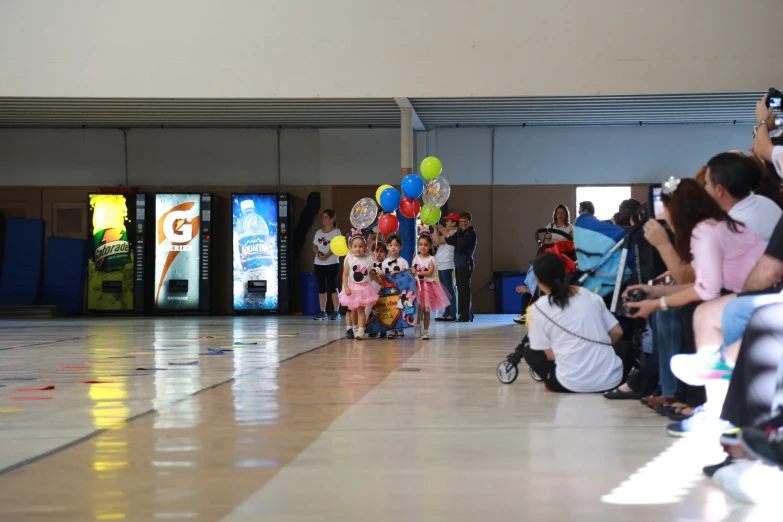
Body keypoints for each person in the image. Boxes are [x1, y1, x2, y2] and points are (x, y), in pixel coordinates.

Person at [626, 178, 767, 437]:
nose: (663, 216)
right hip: (745, 293)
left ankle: (707, 392)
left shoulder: (704, 232)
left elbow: (706, 290)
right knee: (694, 308)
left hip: (752, 298)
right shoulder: (718, 226)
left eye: (665, 208)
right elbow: (703, 282)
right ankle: (702, 386)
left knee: (698, 311)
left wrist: (658, 302)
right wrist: (657, 292)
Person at [523, 253, 634, 393]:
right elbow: (617, 332)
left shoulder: (536, 309)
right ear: (565, 272)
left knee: (529, 351)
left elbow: (550, 356)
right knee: (627, 346)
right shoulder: (588, 295)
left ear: (537, 279)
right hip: (611, 382)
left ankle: (552, 382)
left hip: (569, 384)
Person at [703, 152, 782, 241]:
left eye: (706, 183)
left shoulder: (731, 230)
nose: (704, 188)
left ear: (719, 190)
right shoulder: (766, 202)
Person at [338, 232, 380, 341]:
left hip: (364, 288)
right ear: (350, 247)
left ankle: (361, 329)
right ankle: (354, 327)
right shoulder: (350, 259)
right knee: (353, 310)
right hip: (353, 288)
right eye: (355, 246)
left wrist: (377, 280)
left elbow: (370, 273)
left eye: (360, 246)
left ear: (365, 247)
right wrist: (346, 287)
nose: (358, 249)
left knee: (361, 310)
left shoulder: (368, 259)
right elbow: (345, 274)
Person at [412, 234, 451, 340]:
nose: (423, 247)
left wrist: (418, 272)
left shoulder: (432, 259)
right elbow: (413, 269)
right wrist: (413, 270)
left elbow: (429, 272)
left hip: (428, 287)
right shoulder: (416, 258)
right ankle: (418, 327)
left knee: (427, 310)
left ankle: (426, 331)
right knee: (418, 309)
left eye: (425, 245)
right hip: (417, 287)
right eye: (420, 244)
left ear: (430, 246)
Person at [446, 212, 477, 322]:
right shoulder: (460, 232)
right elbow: (449, 240)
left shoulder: (470, 233)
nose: (463, 224)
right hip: (459, 264)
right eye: (461, 222)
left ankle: (465, 316)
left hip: (465, 263)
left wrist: (452, 236)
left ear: (469, 222)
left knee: (464, 290)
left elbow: (460, 243)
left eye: (465, 221)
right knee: (461, 289)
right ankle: (468, 314)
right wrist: (452, 236)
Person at [312, 209, 342, 320]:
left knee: (332, 285)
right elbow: (314, 246)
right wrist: (318, 253)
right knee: (321, 287)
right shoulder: (319, 232)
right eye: (323, 216)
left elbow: (336, 247)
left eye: (326, 217)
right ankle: (322, 311)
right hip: (319, 263)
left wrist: (326, 256)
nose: (323, 219)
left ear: (331, 219)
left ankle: (336, 311)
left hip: (332, 262)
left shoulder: (336, 232)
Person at [382, 235, 410, 339]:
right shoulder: (384, 263)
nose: (393, 247)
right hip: (388, 291)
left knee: (400, 308)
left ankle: (400, 328)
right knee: (390, 308)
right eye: (391, 245)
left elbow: (407, 275)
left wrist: (399, 272)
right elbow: (383, 276)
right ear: (387, 247)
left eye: (396, 245)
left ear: (401, 247)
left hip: (401, 290)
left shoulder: (404, 262)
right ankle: (392, 329)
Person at [435, 213, 459, 321]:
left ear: (454, 223)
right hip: (441, 263)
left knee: (449, 289)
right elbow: (436, 241)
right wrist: (435, 230)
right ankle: (446, 312)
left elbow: (440, 240)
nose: (445, 223)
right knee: (444, 290)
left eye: (448, 221)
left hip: (447, 264)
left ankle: (452, 313)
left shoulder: (454, 233)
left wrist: (443, 232)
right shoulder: (447, 233)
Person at [366, 242, 388, 339]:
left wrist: (382, 274)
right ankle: (372, 329)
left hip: (382, 290)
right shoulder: (370, 263)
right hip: (370, 290)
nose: (378, 253)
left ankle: (383, 329)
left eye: (381, 251)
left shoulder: (386, 263)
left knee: (382, 310)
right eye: (376, 251)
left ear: (385, 253)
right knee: (371, 310)